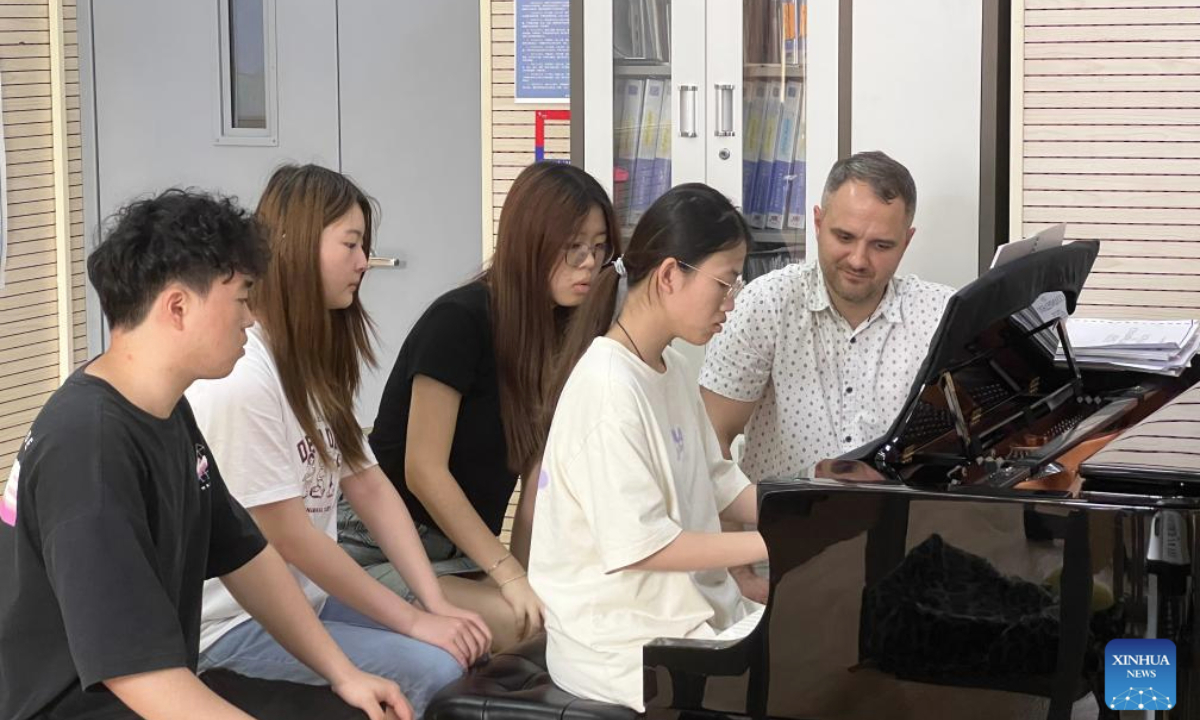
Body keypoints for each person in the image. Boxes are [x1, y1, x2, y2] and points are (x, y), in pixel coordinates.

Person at [0, 189, 407, 720]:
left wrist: (344, 673)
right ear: (177, 307)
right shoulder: (89, 448)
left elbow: (244, 552)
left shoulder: (164, 409)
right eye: (240, 299)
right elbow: (137, 674)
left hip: (156, 683)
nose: (249, 318)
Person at [186, 165, 489, 718]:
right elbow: (294, 539)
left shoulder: (309, 362)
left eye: (364, 246)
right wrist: (417, 619)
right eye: (350, 244)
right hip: (231, 628)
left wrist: (434, 601)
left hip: (307, 606)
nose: (363, 262)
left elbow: (370, 487)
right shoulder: (243, 375)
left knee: (463, 642)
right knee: (436, 668)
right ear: (293, 245)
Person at [339, 161, 620, 651]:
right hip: (377, 546)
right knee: (530, 629)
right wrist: (508, 576)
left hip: (460, 556)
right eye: (573, 246)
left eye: (599, 248)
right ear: (529, 241)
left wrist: (525, 576)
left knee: (569, 616)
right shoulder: (459, 320)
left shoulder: (562, 331)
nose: (588, 263)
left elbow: (539, 478)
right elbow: (423, 470)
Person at [528, 183, 765, 712]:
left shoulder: (670, 367)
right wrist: (777, 542)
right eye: (725, 283)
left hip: (684, 612)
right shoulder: (608, 388)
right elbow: (646, 546)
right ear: (668, 275)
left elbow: (720, 481)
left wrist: (812, 511)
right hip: (619, 643)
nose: (732, 302)